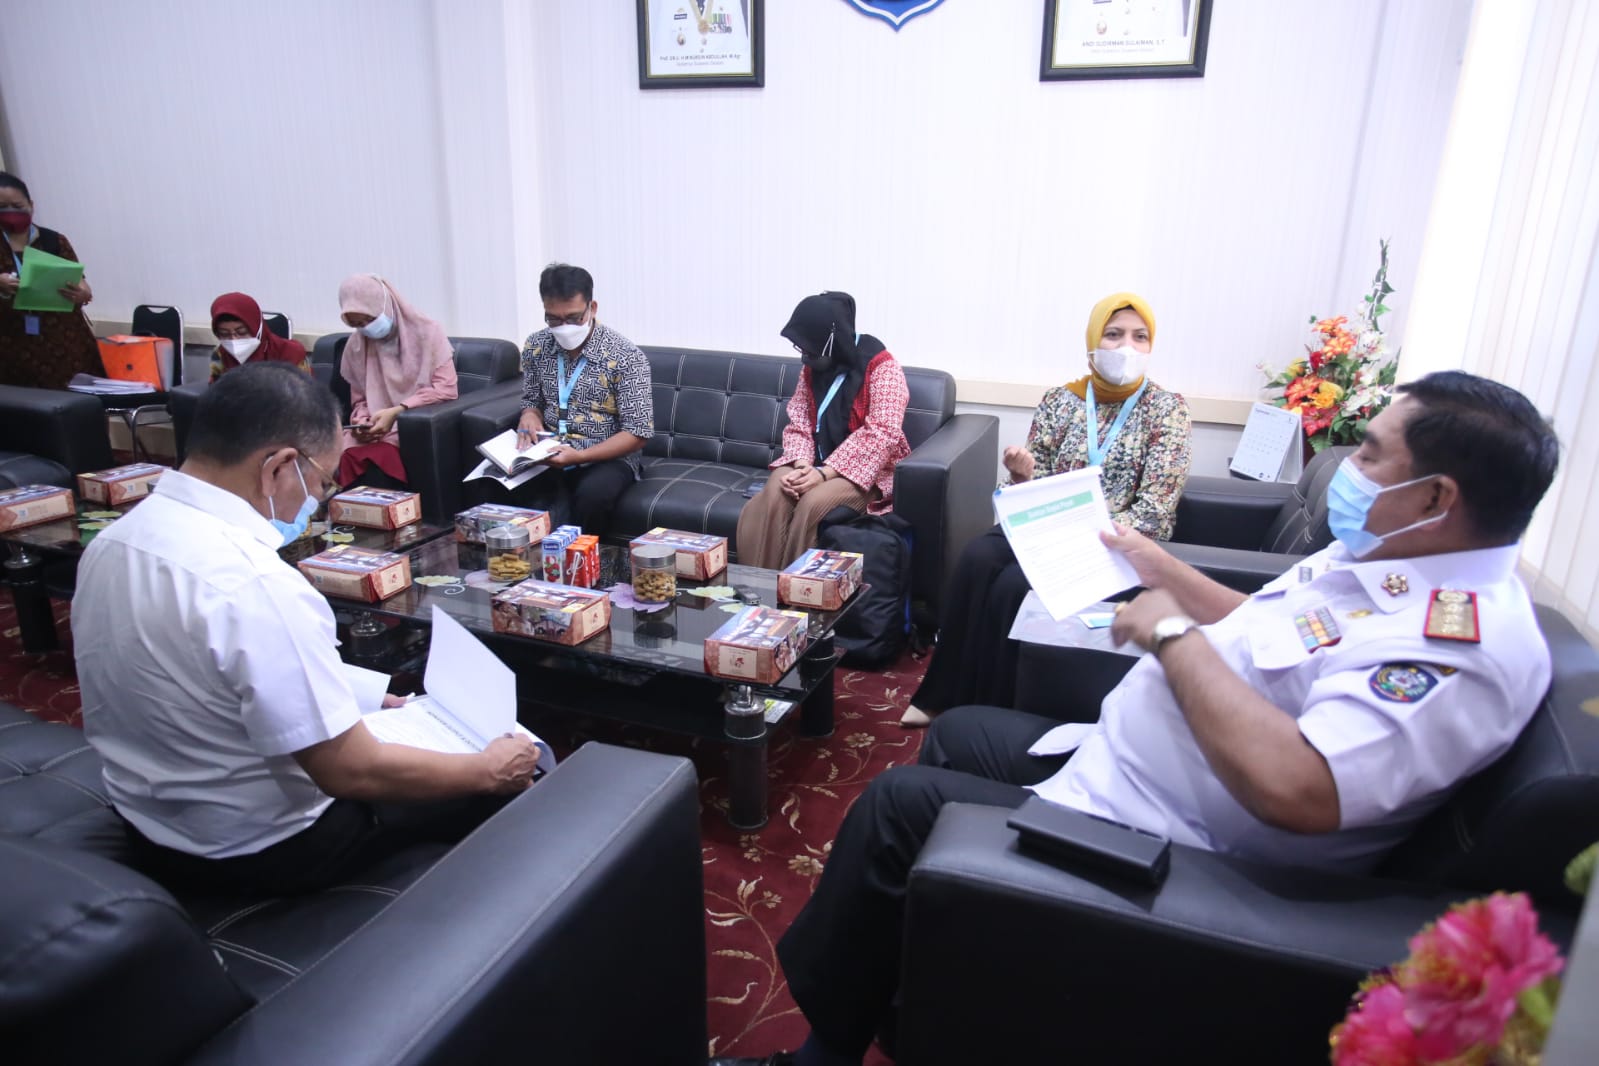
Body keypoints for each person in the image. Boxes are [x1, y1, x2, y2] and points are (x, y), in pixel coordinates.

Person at [713, 371, 1560, 1066]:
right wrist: (1160, 567)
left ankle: (823, 1050)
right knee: (960, 730)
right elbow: (1266, 627)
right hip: (1132, 766)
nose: (1350, 465)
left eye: (1370, 453)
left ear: (1434, 495)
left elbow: (1301, 788)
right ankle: (921, 985)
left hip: (1176, 841)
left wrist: (1168, 636)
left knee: (894, 808)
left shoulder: (1456, 647)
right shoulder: (1392, 557)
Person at [72, 362, 544, 896]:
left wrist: (371, 694)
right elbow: (349, 771)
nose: (319, 499)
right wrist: (487, 771)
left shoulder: (115, 541)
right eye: (322, 481)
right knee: (516, 778)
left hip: (149, 826)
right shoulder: (255, 582)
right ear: (279, 467)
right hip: (261, 849)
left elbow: (211, 668)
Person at [901, 291, 1191, 726]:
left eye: (1139, 337)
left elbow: (1155, 511)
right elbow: (1030, 489)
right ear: (1093, 342)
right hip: (1048, 527)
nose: (1126, 347)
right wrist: (1023, 477)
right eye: (1113, 335)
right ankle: (940, 693)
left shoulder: (1167, 411)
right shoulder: (1061, 400)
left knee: (1012, 584)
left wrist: (1083, 533)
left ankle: (990, 706)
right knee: (977, 556)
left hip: (1116, 543)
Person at [736, 291, 911, 570]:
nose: (805, 357)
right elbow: (800, 420)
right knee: (779, 488)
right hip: (813, 463)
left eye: (810, 350)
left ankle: (795, 589)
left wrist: (823, 474)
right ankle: (759, 584)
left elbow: (882, 434)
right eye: (802, 349)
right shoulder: (812, 368)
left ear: (833, 341)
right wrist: (803, 466)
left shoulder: (882, 367)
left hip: (865, 474)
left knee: (814, 503)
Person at [506, 262, 653, 534]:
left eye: (573, 318)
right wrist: (530, 414)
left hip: (604, 456)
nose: (564, 327)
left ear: (592, 308)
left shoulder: (626, 356)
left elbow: (638, 432)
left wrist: (579, 456)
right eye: (554, 319)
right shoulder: (537, 346)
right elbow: (532, 400)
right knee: (503, 484)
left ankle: (581, 559)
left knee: (592, 496)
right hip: (548, 450)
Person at [334, 274, 459, 487]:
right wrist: (362, 423)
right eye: (357, 324)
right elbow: (360, 400)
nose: (366, 328)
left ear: (385, 306)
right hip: (375, 429)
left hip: (411, 425)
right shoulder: (357, 346)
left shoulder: (428, 333)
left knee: (379, 462)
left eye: (370, 319)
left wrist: (397, 411)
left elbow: (446, 389)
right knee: (342, 454)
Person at [0, 171, 101, 389]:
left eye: (17, 206)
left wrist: (83, 293)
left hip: (65, 344)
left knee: (77, 402)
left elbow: (82, 283)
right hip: (12, 349)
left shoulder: (53, 240)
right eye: (2, 207)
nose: (10, 212)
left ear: (31, 205)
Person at [208, 291, 310, 382]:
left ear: (257, 329)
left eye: (242, 332)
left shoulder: (291, 352)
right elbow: (215, 389)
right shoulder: (220, 354)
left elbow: (305, 392)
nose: (234, 339)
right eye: (225, 334)